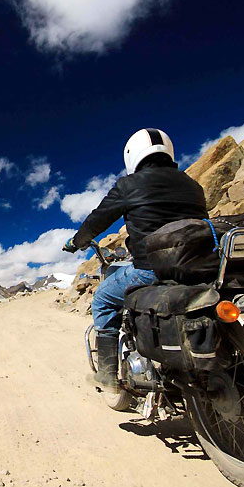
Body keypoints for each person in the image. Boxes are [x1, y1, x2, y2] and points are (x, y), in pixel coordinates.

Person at [63, 128, 208, 392]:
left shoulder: (128, 185)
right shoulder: (192, 185)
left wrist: (76, 241)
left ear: (132, 155)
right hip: (199, 268)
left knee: (104, 300)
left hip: (152, 269)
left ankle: (107, 376)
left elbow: (98, 219)